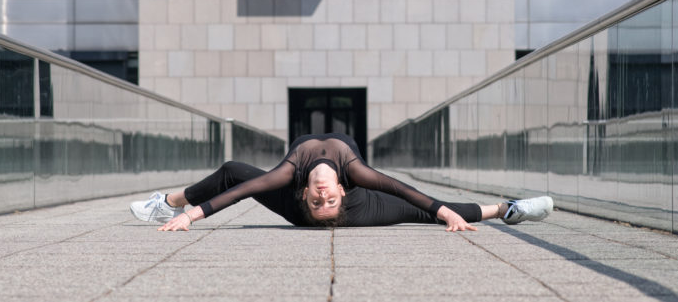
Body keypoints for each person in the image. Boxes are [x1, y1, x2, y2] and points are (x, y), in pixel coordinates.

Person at [130, 132, 553, 231]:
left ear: (307, 197)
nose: (323, 195)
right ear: (343, 192)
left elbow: (246, 192)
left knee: (235, 172)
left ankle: (506, 208)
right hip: (342, 207)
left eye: (320, 202)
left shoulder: (292, 175)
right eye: (327, 200)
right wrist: (444, 212)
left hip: (299, 207)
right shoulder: (353, 170)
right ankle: (507, 209)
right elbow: (401, 190)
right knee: (423, 210)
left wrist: (192, 216)